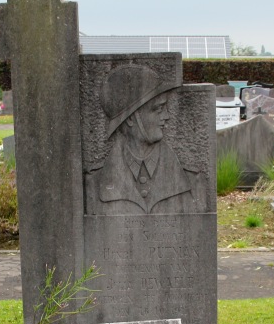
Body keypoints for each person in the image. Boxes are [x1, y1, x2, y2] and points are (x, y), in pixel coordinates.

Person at [86, 65, 204, 215]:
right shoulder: (94, 183)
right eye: (158, 109)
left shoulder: (193, 180)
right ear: (130, 119)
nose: (166, 116)